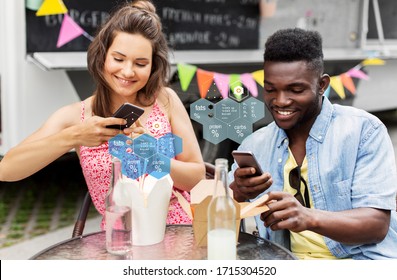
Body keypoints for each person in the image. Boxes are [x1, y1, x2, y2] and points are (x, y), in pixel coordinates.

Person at [0, 0, 205, 228]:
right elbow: (6, 169)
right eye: (118, 59)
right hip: (117, 242)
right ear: (102, 56)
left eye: (140, 63)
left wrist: (153, 157)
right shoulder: (74, 116)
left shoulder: (165, 100)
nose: (127, 71)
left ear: (153, 66)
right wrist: (75, 136)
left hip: (179, 231)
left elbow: (196, 177)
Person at [229, 28, 397, 259]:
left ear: (322, 85)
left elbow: (377, 225)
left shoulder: (363, 131)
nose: (280, 101)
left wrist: (307, 217)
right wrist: (237, 192)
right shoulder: (256, 143)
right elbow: (218, 214)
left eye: (295, 90)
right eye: (270, 90)